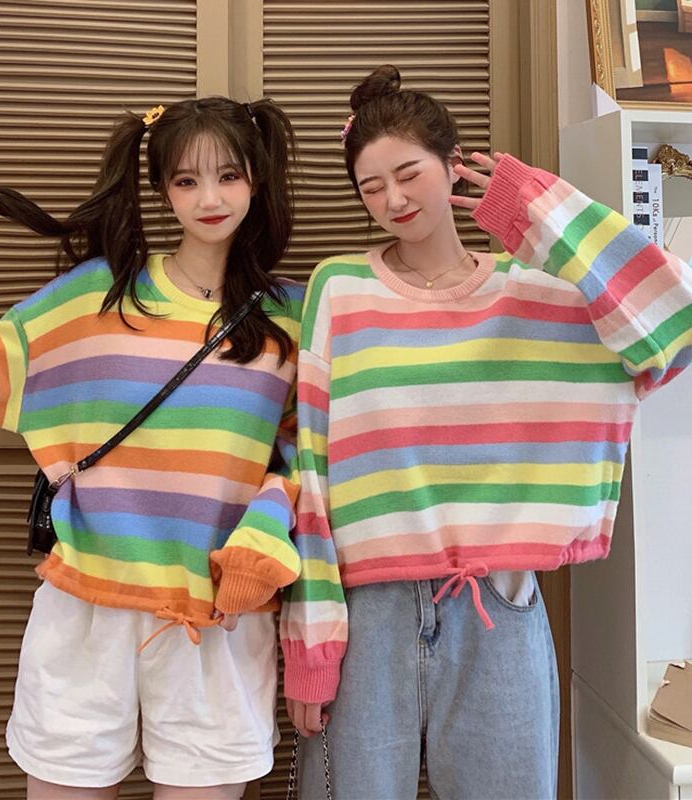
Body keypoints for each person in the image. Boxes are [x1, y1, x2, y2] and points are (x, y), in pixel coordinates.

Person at [280, 64, 692, 800]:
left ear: (453, 164)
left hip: (501, 601)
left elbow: (673, 323)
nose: (393, 200)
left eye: (409, 174)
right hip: (367, 611)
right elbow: (308, 471)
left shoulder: (538, 294)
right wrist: (310, 647)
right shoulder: (338, 289)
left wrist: (535, 209)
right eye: (371, 188)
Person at [0, 96, 305, 800]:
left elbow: (306, 459)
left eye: (228, 176)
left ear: (256, 180)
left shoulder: (291, 318)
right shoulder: (97, 298)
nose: (209, 199)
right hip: (87, 611)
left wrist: (261, 543)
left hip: (219, 617)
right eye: (186, 180)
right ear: (161, 190)